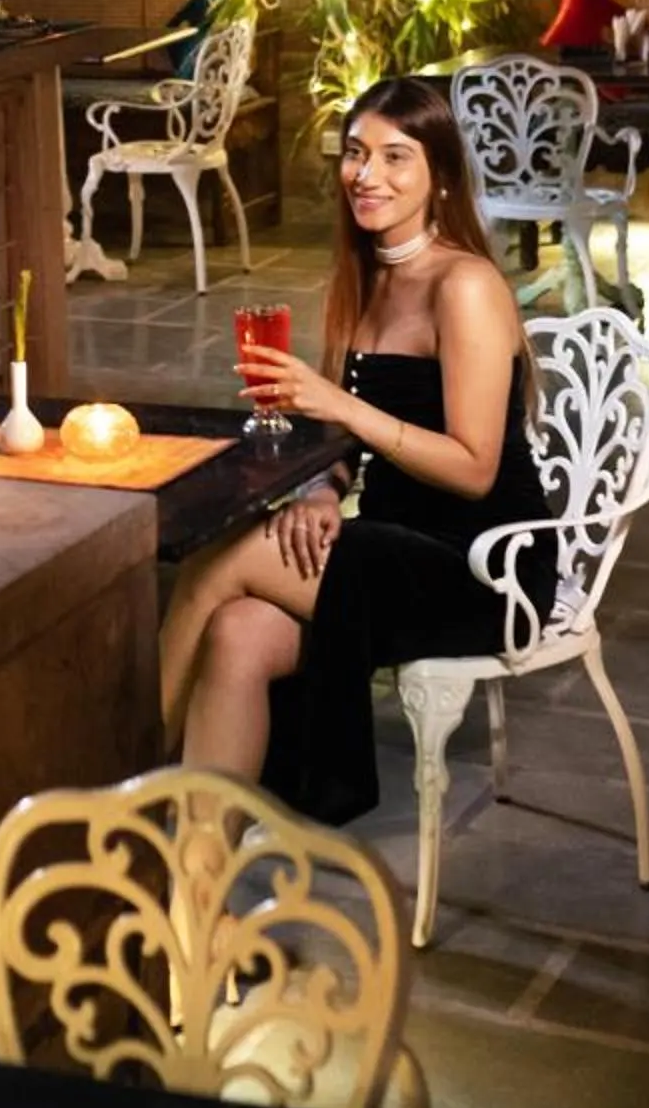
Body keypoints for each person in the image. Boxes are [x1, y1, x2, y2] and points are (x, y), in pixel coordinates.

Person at [158, 75, 554, 825]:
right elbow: (347, 444)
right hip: (390, 543)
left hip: (483, 561)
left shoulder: (464, 284)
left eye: (395, 157)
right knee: (237, 633)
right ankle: (192, 880)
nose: (366, 174)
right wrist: (320, 490)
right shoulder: (367, 276)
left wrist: (337, 404)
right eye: (355, 153)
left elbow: (475, 471)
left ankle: (113, 782)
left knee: (219, 556)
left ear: (440, 177)